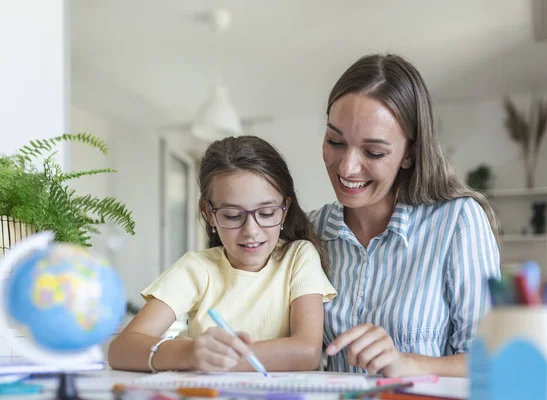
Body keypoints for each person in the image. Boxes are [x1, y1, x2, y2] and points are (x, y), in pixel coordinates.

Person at [310, 53, 500, 378]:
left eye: (373, 152)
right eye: (335, 141)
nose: (346, 167)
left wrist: (407, 364)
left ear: (409, 154)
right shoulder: (310, 230)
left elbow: (492, 363)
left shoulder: (458, 222)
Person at [109, 136, 336, 373]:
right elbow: (121, 349)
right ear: (209, 214)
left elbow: (306, 353)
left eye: (267, 213)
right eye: (232, 215)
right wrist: (189, 354)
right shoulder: (197, 268)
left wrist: (213, 361)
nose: (251, 231)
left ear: (285, 209)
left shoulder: (298, 257)